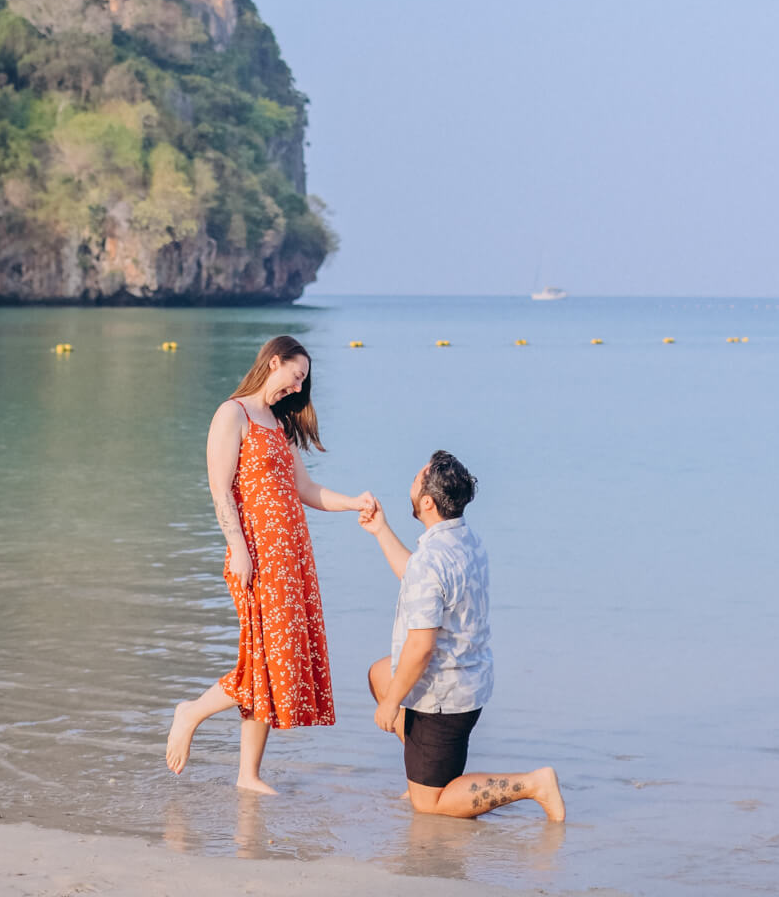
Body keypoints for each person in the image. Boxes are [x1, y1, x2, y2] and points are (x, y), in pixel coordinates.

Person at [165, 334, 375, 793]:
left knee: (268, 664)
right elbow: (221, 489)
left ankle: (247, 775)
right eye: (295, 376)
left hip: (292, 557)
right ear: (274, 362)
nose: (297, 389)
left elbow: (307, 490)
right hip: (255, 556)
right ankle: (192, 712)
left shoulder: (278, 425)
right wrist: (237, 547)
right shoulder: (232, 414)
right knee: (263, 661)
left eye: (303, 383)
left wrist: (352, 502)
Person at [361, 450, 564, 821]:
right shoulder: (464, 540)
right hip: (470, 678)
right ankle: (424, 772)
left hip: (444, 699)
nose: (409, 483)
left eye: (415, 479)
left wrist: (392, 704)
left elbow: (421, 647)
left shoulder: (430, 561)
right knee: (380, 674)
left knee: (429, 806)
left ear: (426, 502)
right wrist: (380, 530)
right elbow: (417, 577)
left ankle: (534, 784)